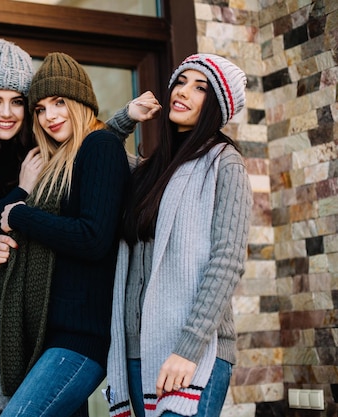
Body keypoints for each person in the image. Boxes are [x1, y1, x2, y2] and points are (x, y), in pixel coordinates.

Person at [0, 39, 152, 417]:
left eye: (18, 101)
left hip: (38, 325)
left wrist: (122, 119)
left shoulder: (38, 147)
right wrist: (20, 196)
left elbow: (88, 154)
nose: (6, 112)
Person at [0, 52, 158, 417]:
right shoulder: (58, 163)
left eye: (60, 102)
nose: (50, 116)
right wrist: (8, 248)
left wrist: (21, 217)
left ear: (81, 102)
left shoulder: (100, 147)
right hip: (49, 336)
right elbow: (47, 240)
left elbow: (92, 237)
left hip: (82, 337)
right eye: (41, 108)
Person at [106, 53, 252, 417]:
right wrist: (125, 119)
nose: (182, 91)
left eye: (200, 87)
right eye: (181, 82)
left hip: (191, 351)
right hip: (134, 355)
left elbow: (227, 263)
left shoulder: (224, 163)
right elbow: (92, 153)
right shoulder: (145, 172)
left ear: (217, 105)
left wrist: (187, 350)